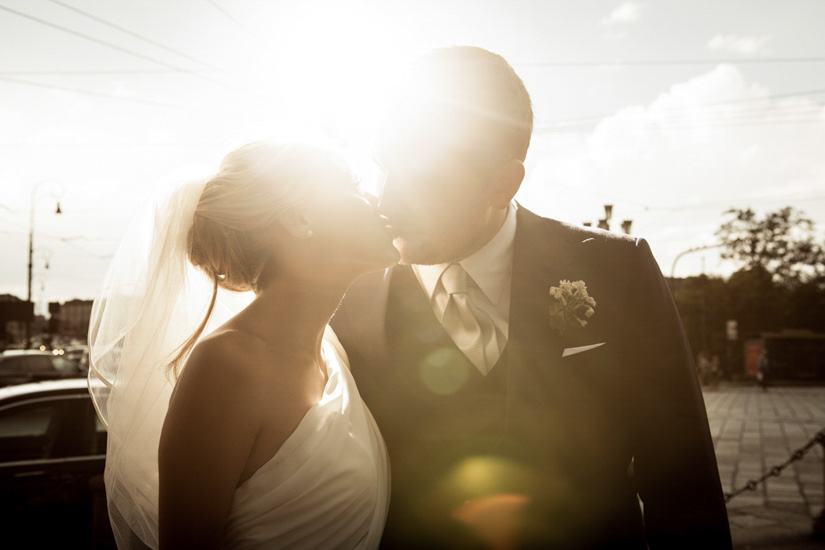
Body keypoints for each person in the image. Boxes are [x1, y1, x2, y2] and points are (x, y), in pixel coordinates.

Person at [331, 46, 732, 548]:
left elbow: (681, 478)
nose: (387, 201)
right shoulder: (352, 292)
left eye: (421, 180)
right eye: (383, 167)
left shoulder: (615, 268)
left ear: (504, 183)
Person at [88, 143, 396, 549]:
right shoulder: (227, 366)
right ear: (300, 217)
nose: (375, 198)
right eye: (352, 185)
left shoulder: (332, 354)